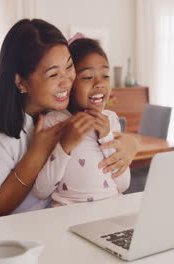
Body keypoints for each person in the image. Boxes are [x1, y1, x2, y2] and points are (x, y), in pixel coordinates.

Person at [0, 19, 138, 219]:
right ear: (21, 82)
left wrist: (131, 144)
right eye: (53, 75)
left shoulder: (57, 108)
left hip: (66, 222)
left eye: (70, 67)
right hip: (23, 233)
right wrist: (38, 153)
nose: (67, 81)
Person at [33, 37, 130, 206]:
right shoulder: (53, 122)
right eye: (87, 77)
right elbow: (41, 191)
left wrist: (106, 138)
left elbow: (123, 184)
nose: (100, 83)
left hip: (111, 209)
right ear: (69, 82)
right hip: (67, 215)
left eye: (105, 76)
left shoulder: (111, 120)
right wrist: (65, 146)